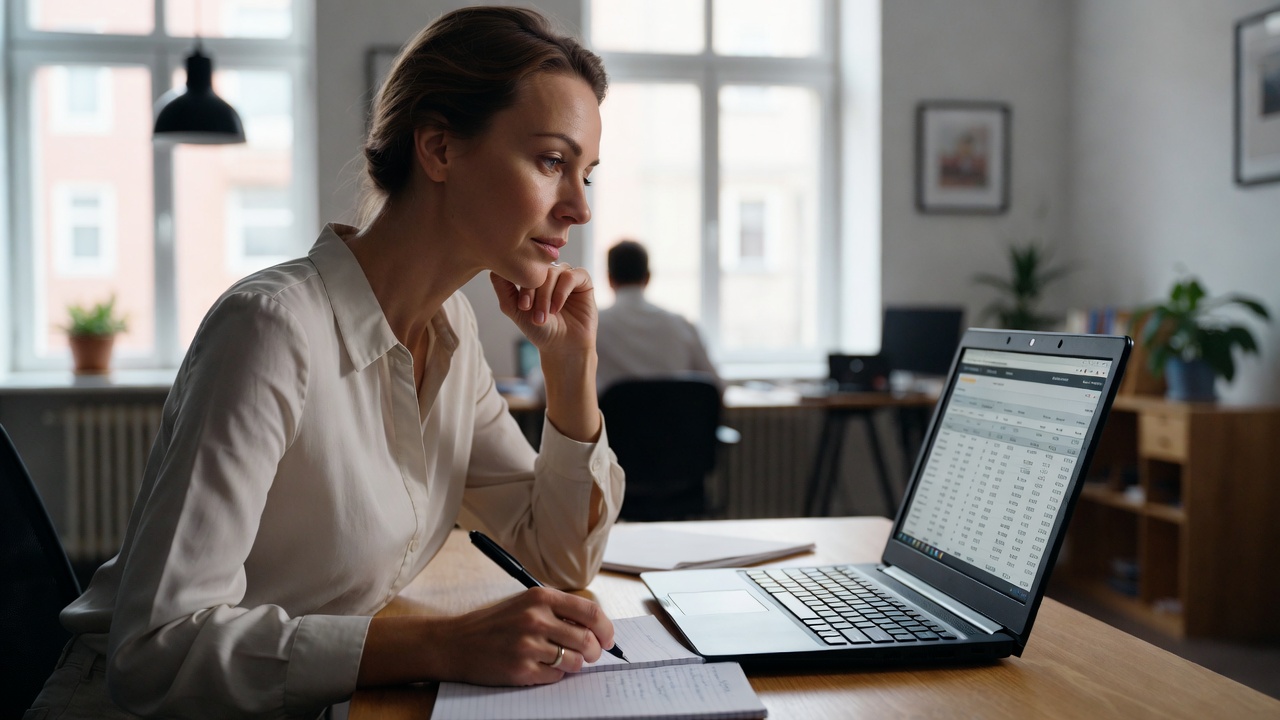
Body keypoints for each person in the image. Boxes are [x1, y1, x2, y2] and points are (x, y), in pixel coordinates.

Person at [28, 7, 625, 719]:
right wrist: (440, 645)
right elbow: (156, 651)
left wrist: (570, 371)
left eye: (585, 173)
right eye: (553, 161)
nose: (579, 209)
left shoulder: (452, 334)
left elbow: (556, 559)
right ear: (438, 148)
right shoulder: (272, 329)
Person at [595, 240, 723, 394]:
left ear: (609, 278)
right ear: (648, 277)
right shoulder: (682, 326)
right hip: (678, 418)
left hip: (613, 418)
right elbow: (717, 387)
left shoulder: (593, 328)